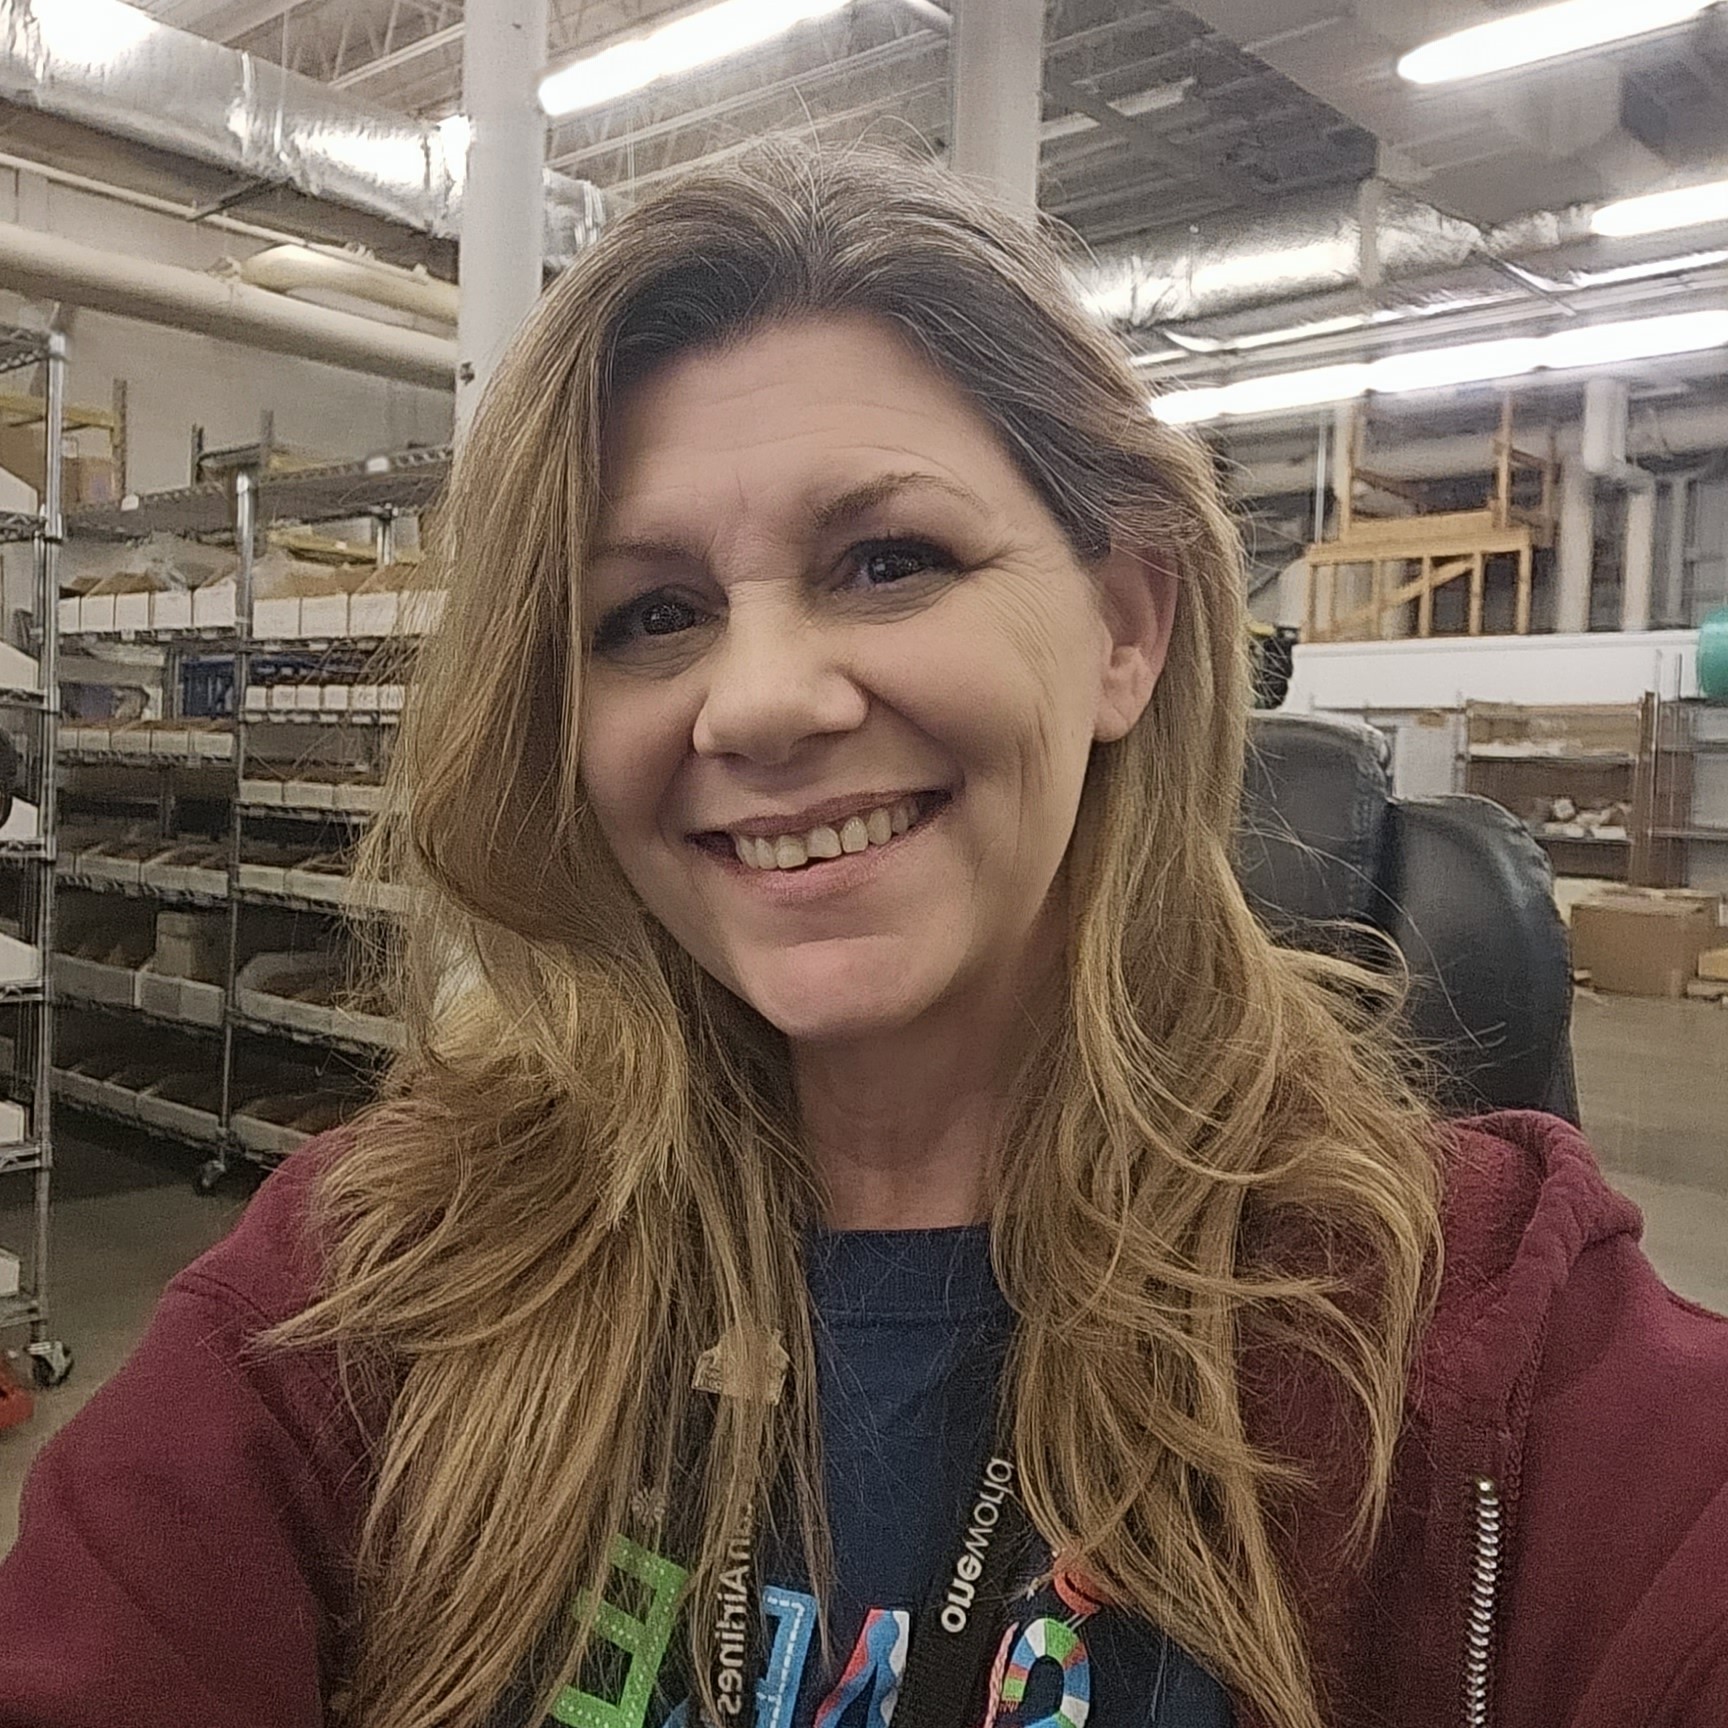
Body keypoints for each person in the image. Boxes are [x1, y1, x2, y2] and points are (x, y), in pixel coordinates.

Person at [2, 141, 1725, 1728]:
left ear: (1127, 627)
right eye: (650, 613)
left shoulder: (1475, 1349)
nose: (759, 701)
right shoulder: (366, 1288)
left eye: (889, 561)